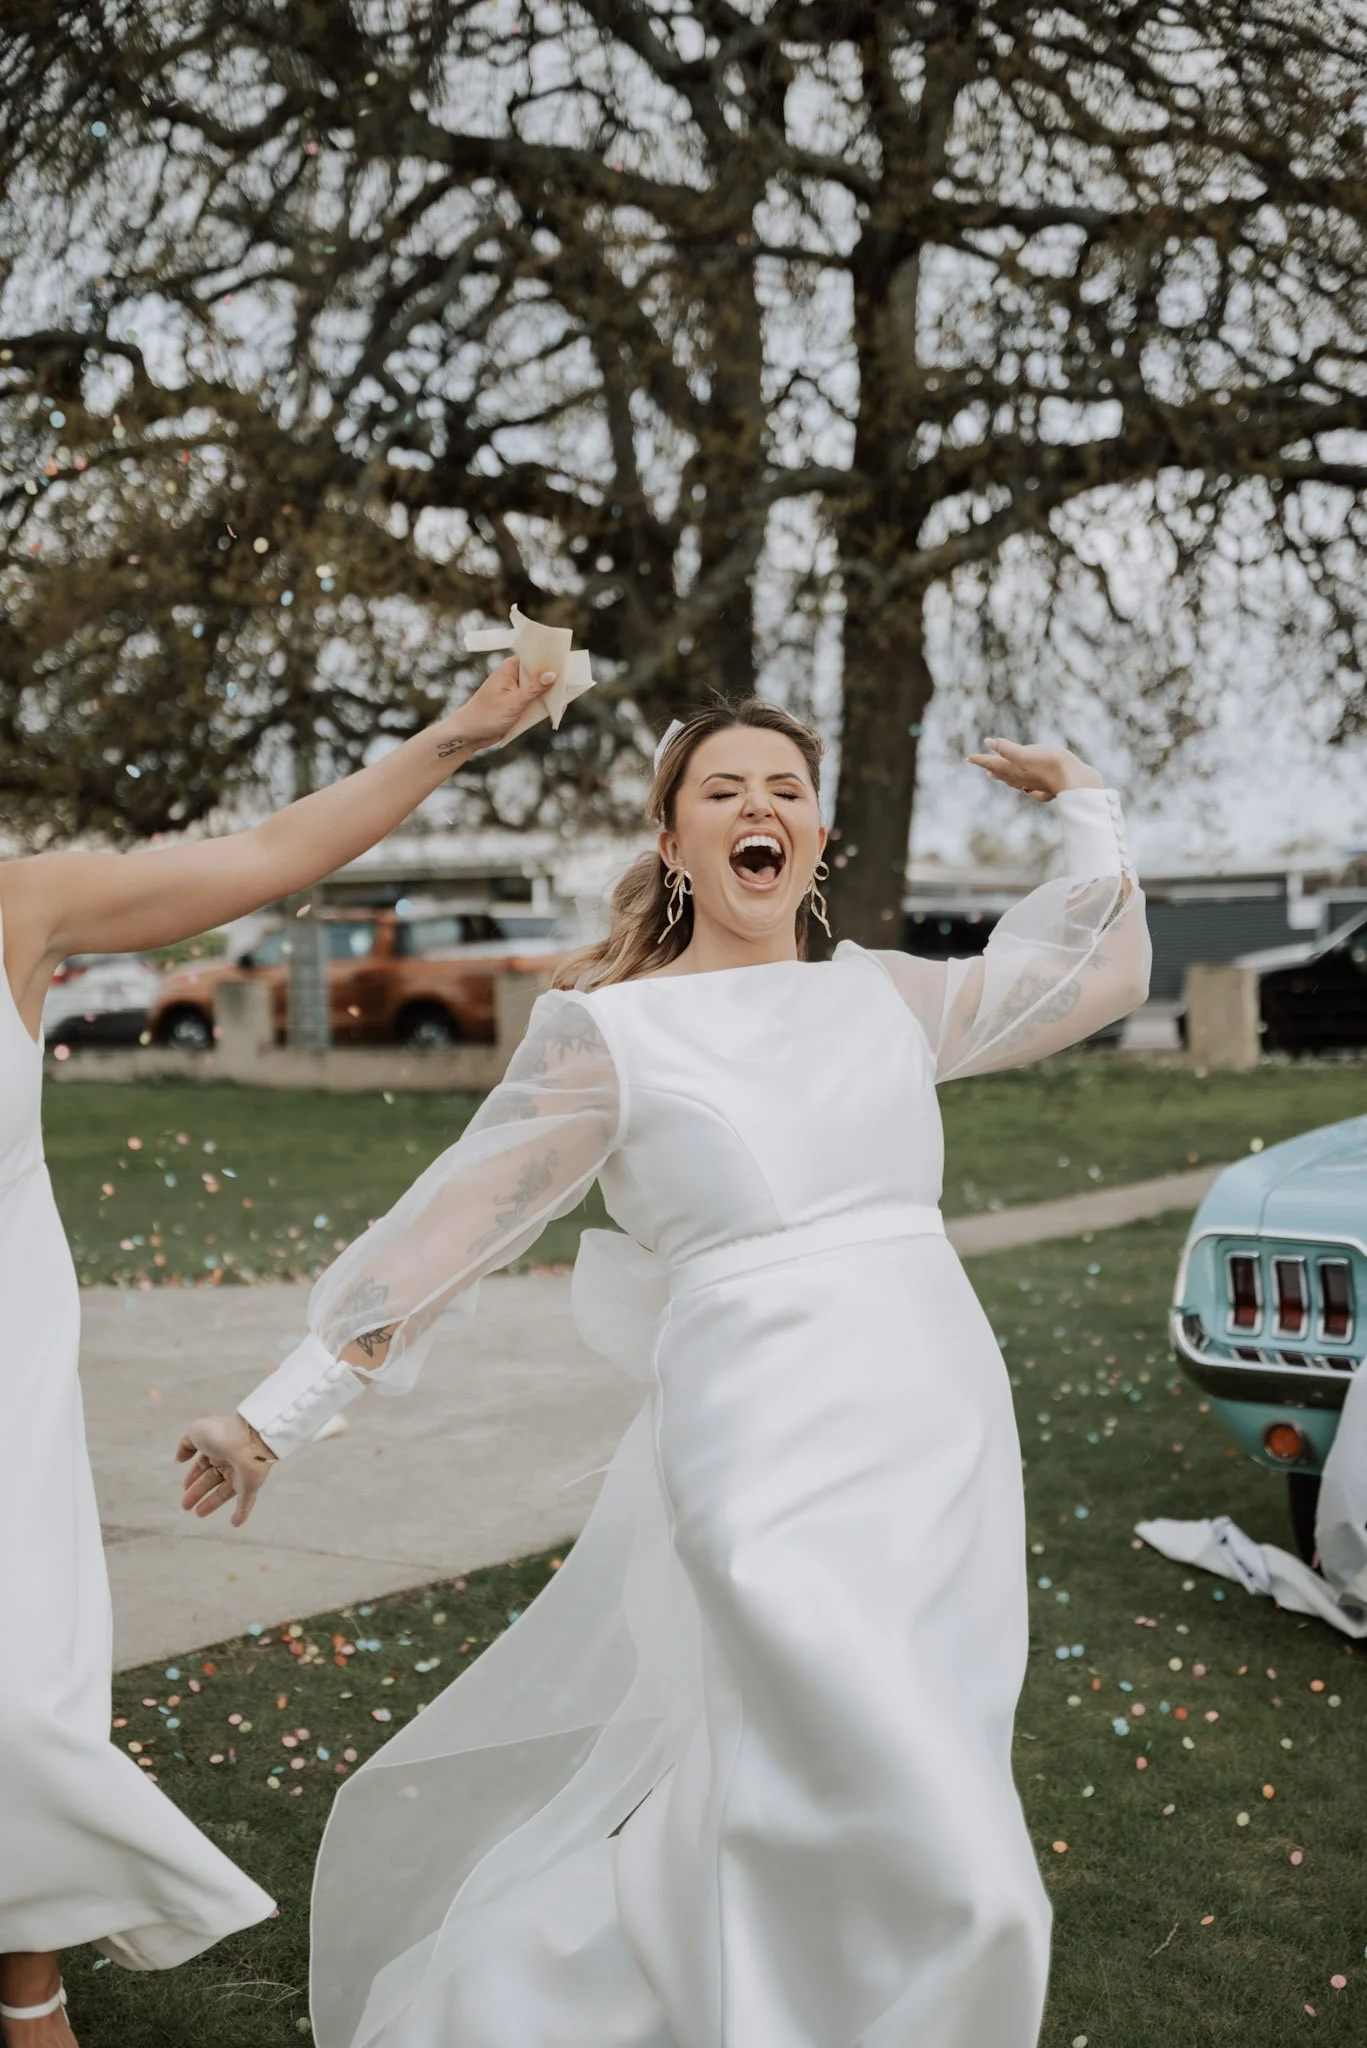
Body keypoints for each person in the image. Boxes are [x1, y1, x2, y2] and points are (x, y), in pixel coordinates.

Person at [179, 702, 1151, 2048]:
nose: (760, 806)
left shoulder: (883, 993)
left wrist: (1087, 801)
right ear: (674, 838)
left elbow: (1092, 975)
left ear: (817, 834)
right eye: (723, 791)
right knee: (825, 1736)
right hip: (756, 1426)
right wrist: (271, 1416)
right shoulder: (609, 1034)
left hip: (937, 1417)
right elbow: (451, 1230)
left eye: (786, 789)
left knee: (933, 1739)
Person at [0, 656, 560, 2048]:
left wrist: (455, 735)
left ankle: (29, 1986)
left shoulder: (22, 905)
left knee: (23, 1694)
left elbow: (267, 852)